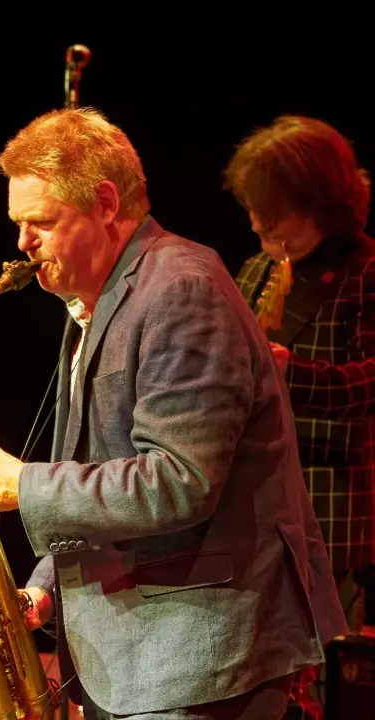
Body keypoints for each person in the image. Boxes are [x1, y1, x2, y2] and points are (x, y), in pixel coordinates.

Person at [0, 107, 349, 720]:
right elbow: (103, 466)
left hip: (196, 658)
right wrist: (44, 591)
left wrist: (21, 485)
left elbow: (181, 480)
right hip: (141, 654)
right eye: (18, 224)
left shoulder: (182, 290)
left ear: (106, 203)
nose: (23, 244)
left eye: (41, 222)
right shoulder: (95, 301)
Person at [225, 114, 375, 718]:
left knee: (321, 678)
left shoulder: (366, 273)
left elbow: (369, 383)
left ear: (318, 203)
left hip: (329, 509)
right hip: (253, 505)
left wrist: (292, 373)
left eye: (272, 210)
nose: (256, 222)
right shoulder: (257, 268)